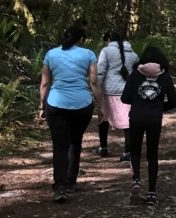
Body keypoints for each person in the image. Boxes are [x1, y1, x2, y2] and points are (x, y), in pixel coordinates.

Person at [40, 24, 101, 202]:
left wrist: (42, 106)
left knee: (59, 146)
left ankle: (59, 187)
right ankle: (71, 182)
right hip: (82, 104)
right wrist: (102, 105)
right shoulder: (89, 54)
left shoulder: (51, 54)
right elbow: (94, 82)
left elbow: (45, 83)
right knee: (75, 142)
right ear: (81, 39)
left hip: (56, 104)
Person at [121, 46, 176, 207]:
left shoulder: (135, 75)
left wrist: (138, 102)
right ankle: (152, 194)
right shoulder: (165, 76)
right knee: (152, 154)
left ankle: (136, 180)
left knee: (135, 151)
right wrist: (159, 107)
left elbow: (125, 98)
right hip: (154, 119)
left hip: (136, 117)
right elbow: (174, 102)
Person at [96, 30, 138, 159]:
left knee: (104, 118)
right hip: (127, 91)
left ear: (108, 39)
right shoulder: (134, 54)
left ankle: (103, 147)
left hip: (109, 90)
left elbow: (100, 72)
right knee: (128, 121)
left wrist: (97, 88)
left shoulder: (106, 51)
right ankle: (128, 151)